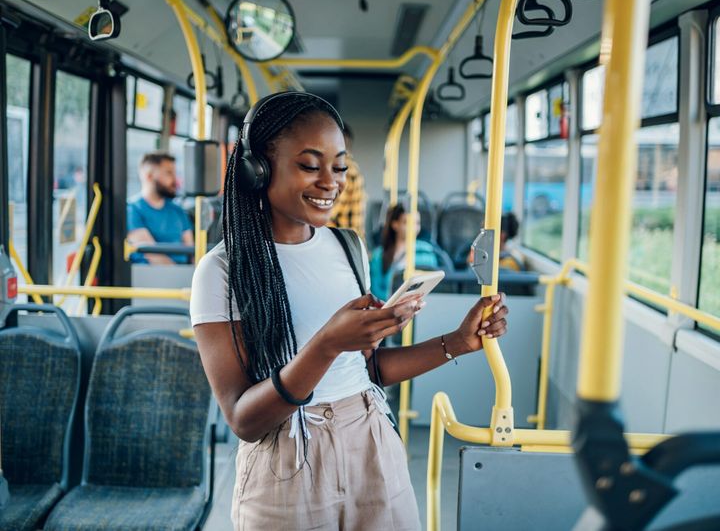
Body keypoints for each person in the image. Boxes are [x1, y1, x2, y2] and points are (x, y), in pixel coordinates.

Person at [189, 91, 509, 530]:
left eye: (339, 166)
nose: (330, 182)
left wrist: (456, 342)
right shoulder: (222, 271)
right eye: (309, 165)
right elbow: (244, 419)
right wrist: (326, 345)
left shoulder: (348, 247)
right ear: (257, 168)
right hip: (287, 457)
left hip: (371, 438)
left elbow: (369, 370)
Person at [126, 151, 194, 264]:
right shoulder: (132, 209)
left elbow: (192, 252)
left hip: (183, 275)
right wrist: (181, 279)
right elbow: (151, 254)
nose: (175, 180)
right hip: (148, 276)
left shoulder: (178, 211)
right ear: (149, 176)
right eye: (169, 173)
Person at [370, 203, 439, 301]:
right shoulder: (379, 255)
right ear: (395, 224)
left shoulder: (426, 251)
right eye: (407, 223)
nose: (413, 228)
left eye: (417, 223)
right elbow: (375, 291)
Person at [327, 123, 366, 240]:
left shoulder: (346, 169)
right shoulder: (353, 168)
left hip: (339, 240)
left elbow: (328, 212)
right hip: (349, 239)